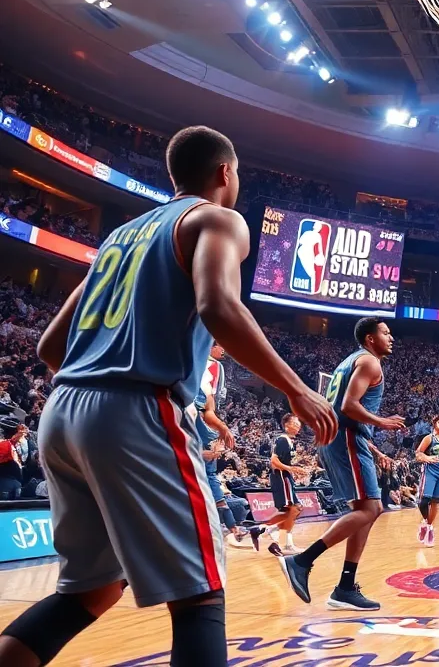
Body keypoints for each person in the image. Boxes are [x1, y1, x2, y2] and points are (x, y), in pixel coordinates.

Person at [0, 126, 337, 667]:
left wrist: (98, 377)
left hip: (62, 412)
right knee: (200, 593)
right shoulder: (217, 218)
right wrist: (298, 391)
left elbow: (49, 345)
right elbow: (218, 306)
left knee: (89, 590)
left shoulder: (120, 237)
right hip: (135, 408)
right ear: (225, 172)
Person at [279, 317, 404, 611]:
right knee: (371, 508)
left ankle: (345, 587)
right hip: (345, 437)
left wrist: (371, 446)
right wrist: (381, 422)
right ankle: (300, 561)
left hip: (343, 437)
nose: (392, 337)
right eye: (386, 333)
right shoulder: (370, 363)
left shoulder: (349, 361)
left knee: (367, 510)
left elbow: (338, 409)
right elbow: (348, 406)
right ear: (370, 338)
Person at [195, 344, 252, 549]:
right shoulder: (206, 367)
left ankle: (232, 528)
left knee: (209, 474)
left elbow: (209, 411)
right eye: (218, 345)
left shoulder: (207, 384)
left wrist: (222, 429)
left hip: (202, 433)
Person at [255, 414, 305, 555]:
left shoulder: (289, 441)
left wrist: (295, 469)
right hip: (281, 477)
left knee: (294, 510)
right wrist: (290, 469)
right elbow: (273, 462)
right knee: (293, 509)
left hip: (286, 476)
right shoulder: (282, 440)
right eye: (294, 423)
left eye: (298, 423)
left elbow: (285, 462)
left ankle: (266, 529)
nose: (298, 426)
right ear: (286, 425)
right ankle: (278, 537)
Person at [415, 414, 439, 547]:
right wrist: (427, 458)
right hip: (430, 471)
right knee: (424, 500)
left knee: (435, 502)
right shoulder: (429, 438)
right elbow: (418, 453)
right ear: (435, 423)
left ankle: (429, 528)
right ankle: (425, 522)